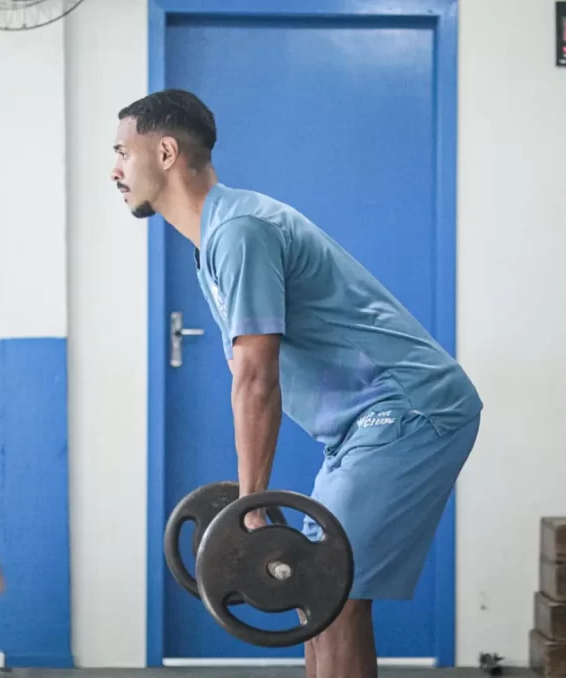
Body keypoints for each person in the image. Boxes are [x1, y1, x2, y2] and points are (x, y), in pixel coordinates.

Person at [111, 89, 483, 678]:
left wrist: (248, 508)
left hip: (410, 409)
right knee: (320, 591)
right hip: (361, 426)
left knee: (331, 592)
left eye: (121, 153)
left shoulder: (239, 232)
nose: (115, 170)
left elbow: (256, 379)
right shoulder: (217, 240)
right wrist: (250, 504)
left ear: (164, 152)